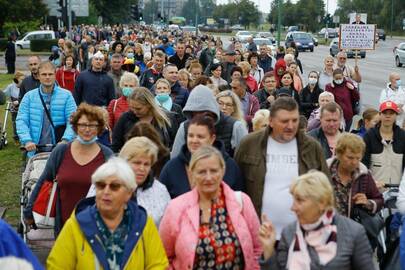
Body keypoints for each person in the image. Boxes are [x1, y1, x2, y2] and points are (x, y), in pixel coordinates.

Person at [47, 157, 169, 269]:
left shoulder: (142, 222)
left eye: (114, 186)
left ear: (129, 193)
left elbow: (158, 265)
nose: (106, 191)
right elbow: (57, 266)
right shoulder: (77, 224)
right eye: (100, 185)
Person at [234, 97, 330, 239]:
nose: (290, 126)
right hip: (257, 234)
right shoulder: (249, 144)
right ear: (271, 121)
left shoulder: (312, 147)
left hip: (300, 236)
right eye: (284, 121)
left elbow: (326, 190)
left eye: (295, 120)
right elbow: (237, 188)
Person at [159, 145, 262, 269]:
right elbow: (162, 256)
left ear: (223, 171)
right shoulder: (176, 208)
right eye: (202, 172)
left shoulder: (242, 202)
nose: (208, 177)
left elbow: (258, 249)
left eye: (213, 171)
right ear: (192, 174)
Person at [23, 103, 113, 234]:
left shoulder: (107, 155)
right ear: (75, 126)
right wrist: (28, 211)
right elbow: (43, 181)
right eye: (82, 125)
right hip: (64, 226)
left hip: (97, 227)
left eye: (92, 125)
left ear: (99, 128)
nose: (87, 129)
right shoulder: (61, 151)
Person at [259, 170, 375, 270]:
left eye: (300, 200)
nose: (293, 208)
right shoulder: (289, 232)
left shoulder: (353, 233)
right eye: (294, 200)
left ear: (322, 203)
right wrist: (269, 249)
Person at [160, 115, 244, 198]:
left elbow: (238, 201)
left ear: (212, 138)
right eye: (191, 136)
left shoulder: (230, 166)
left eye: (200, 136)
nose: (194, 140)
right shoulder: (172, 168)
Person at [328, 133, 383, 247]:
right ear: (338, 153)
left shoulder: (363, 174)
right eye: (350, 157)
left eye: (358, 158)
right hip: (325, 235)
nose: (354, 162)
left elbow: (379, 200)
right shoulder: (324, 170)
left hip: (353, 237)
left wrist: (368, 203)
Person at [16, 61, 77, 157]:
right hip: (35, 149)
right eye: (44, 74)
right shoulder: (29, 96)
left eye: (50, 74)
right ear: (38, 76)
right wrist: (27, 140)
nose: (47, 77)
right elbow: (21, 120)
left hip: (60, 149)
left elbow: (73, 120)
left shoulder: (67, 95)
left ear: (55, 75)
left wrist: (66, 139)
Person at [171, 85, 248, 158]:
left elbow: (243, 161)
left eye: (204, 113)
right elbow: (175, 160)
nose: (200, 118)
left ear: (212, 111)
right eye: (195, 114)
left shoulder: (236, 127)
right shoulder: (184, 127)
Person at [117, 137, 171, 226]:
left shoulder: (160, 190)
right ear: (125, 162)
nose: (142, 168)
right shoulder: (105, 184)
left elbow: (168, 226)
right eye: (137, 163)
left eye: (146, 164)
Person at [112, 87, 176, 152]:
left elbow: (174, 144)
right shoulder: (125, 118)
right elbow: (116, 145)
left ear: (149, 105)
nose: (134, 111)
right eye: (132, 108)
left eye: (138, 108)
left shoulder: (166, 118)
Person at [363, 101, 405, 186]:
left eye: (391, 113)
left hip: (398, 191)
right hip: (375, 191)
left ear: (396, 115)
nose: (388, 116)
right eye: (385, 113)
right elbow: (363, 164)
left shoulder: (403, 136)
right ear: (380, 114)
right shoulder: (369, 136)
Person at [3, 71, 24, 144]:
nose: (22, 80)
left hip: (23, 108)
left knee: (23, 122)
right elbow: (4, 93)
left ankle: (24, 138)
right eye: (21, 79)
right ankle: (16, 138)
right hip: (14, 108)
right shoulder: (11, 86)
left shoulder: (24, 86)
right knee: (15, 123)